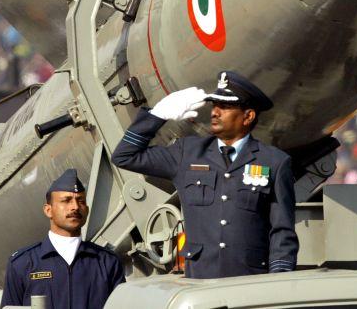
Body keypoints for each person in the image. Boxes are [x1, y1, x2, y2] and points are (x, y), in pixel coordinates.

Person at [111, 71, 298, 279]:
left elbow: (282, 230)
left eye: (225, 106)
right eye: (214, 105)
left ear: (248, 116)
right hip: (200, 279)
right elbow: (124, 156)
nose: (215, 112)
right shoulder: (187, 153)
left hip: (250, 280)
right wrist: (156, 116)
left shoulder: (274, 161)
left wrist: (279, 279)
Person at [1, 168, 125, 308]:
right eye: (66, 201)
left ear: (87, 210)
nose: (75, 207)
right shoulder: (22, 263)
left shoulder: (107, 262)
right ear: (48, 210)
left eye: (81, 201)